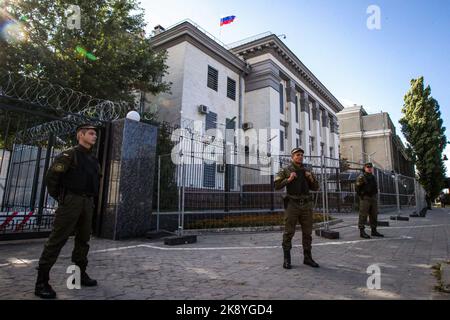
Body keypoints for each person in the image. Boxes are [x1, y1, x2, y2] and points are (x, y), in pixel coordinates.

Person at [35, 123, 101, 299]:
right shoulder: (69, 155)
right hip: (71, 201)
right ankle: (41, 282)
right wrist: (63, 199)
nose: (95, 136)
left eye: (95, 134)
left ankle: (78, 276)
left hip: (87, 202)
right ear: (81, 135)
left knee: (83, 240)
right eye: (91, 133)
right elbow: (52, 178)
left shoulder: (93, 159)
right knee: (57, 240)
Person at [274, 147, 320, 269]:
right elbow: (276, 185)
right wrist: (288, 179)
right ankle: (287, 259)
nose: (300, 156)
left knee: (307, 233)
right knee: (289, 232)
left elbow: (316, 187)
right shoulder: (286, 170)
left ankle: (307, 257)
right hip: (292, 204)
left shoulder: (307, 170)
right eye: (297, 155)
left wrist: (310, 177)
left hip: (306, 204)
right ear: (292, 157)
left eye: (301, 154)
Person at [355, 163, 384, 239]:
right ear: (364, 168)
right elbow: (357, 188)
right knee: (363, 215)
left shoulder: (373, 177)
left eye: (370, 167)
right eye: (368, 167)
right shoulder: (361, 177)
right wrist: (362, 195)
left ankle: (374, 230)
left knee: (374, 214)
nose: (369, 168)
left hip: (373, 198)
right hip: (365, 198)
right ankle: (362, 232)